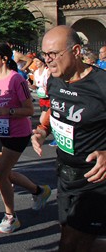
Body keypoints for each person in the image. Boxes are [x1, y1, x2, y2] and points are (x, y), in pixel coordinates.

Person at [31, 26, 106, 252]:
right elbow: (54, 111)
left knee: (69, 245)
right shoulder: (55, 80)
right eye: (45, 54)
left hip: (95, 181)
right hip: (65, 175)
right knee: (75, 239)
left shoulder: (101, 84)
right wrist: (43, 130)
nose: (48, 60)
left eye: (54, 54)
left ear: (75, 51)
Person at [0, 43, 51, 234]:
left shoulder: (16, 80)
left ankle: (11, 217)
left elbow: (29, 109)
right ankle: (40, 191)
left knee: (0, 174)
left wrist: (8, 111)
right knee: (5, 174)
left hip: (17, 133)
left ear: (4, 59)